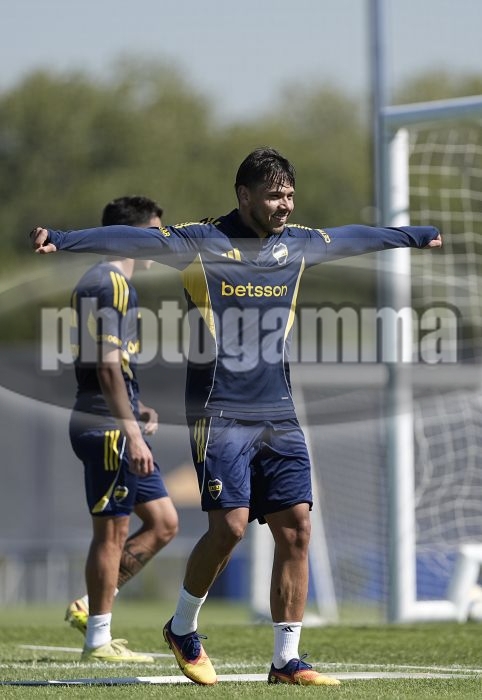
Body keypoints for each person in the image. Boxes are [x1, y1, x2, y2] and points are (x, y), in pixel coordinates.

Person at [31, 147, 442, 685]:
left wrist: (415, 235)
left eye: (289, 195)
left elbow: (356, 236)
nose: (285, 205)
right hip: (219, 409)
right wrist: (63, 239)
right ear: (244, 195)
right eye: (274, 195)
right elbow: (132, 240)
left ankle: (286, 660)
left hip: (279, 412)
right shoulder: (201, 242)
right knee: (230, 527)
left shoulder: (299, 243)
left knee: (296, 528)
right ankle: (182, 627)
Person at [63, 196, 178, 663]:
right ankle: (98, 638)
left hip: (115, 417)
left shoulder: (106, 281)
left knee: (164, 522)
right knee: (112, 532)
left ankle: (90, 606)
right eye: (154, 234)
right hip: (108, 427)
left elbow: (109, 365)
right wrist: (130, 432)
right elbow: (106, 366)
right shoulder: (109, 282)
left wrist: (136, 407)